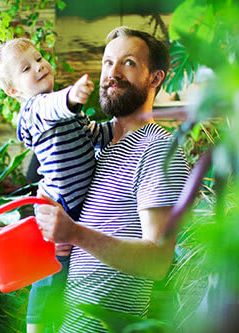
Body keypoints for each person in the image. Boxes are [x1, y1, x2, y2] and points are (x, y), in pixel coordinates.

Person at [35, 26, 190, 332]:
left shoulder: (158, 149)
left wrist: (75, 233)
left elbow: (157, 262)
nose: (113, 73)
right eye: (108, 62)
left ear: (155, 78)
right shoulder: (88, 140)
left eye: (129, 63)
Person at [0, 38, 117, 332]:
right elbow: (54, 107)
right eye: (26, 68)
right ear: (14, 91)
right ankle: (35, 326)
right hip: (59, 205)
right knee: (52, 271)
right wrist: (72, 96)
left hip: (77, 204)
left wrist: (122, 127)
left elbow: (93, 135)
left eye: (38, 58)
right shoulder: (35, 110)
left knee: (72, 269)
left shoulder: (68, 111)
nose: (39, 65)